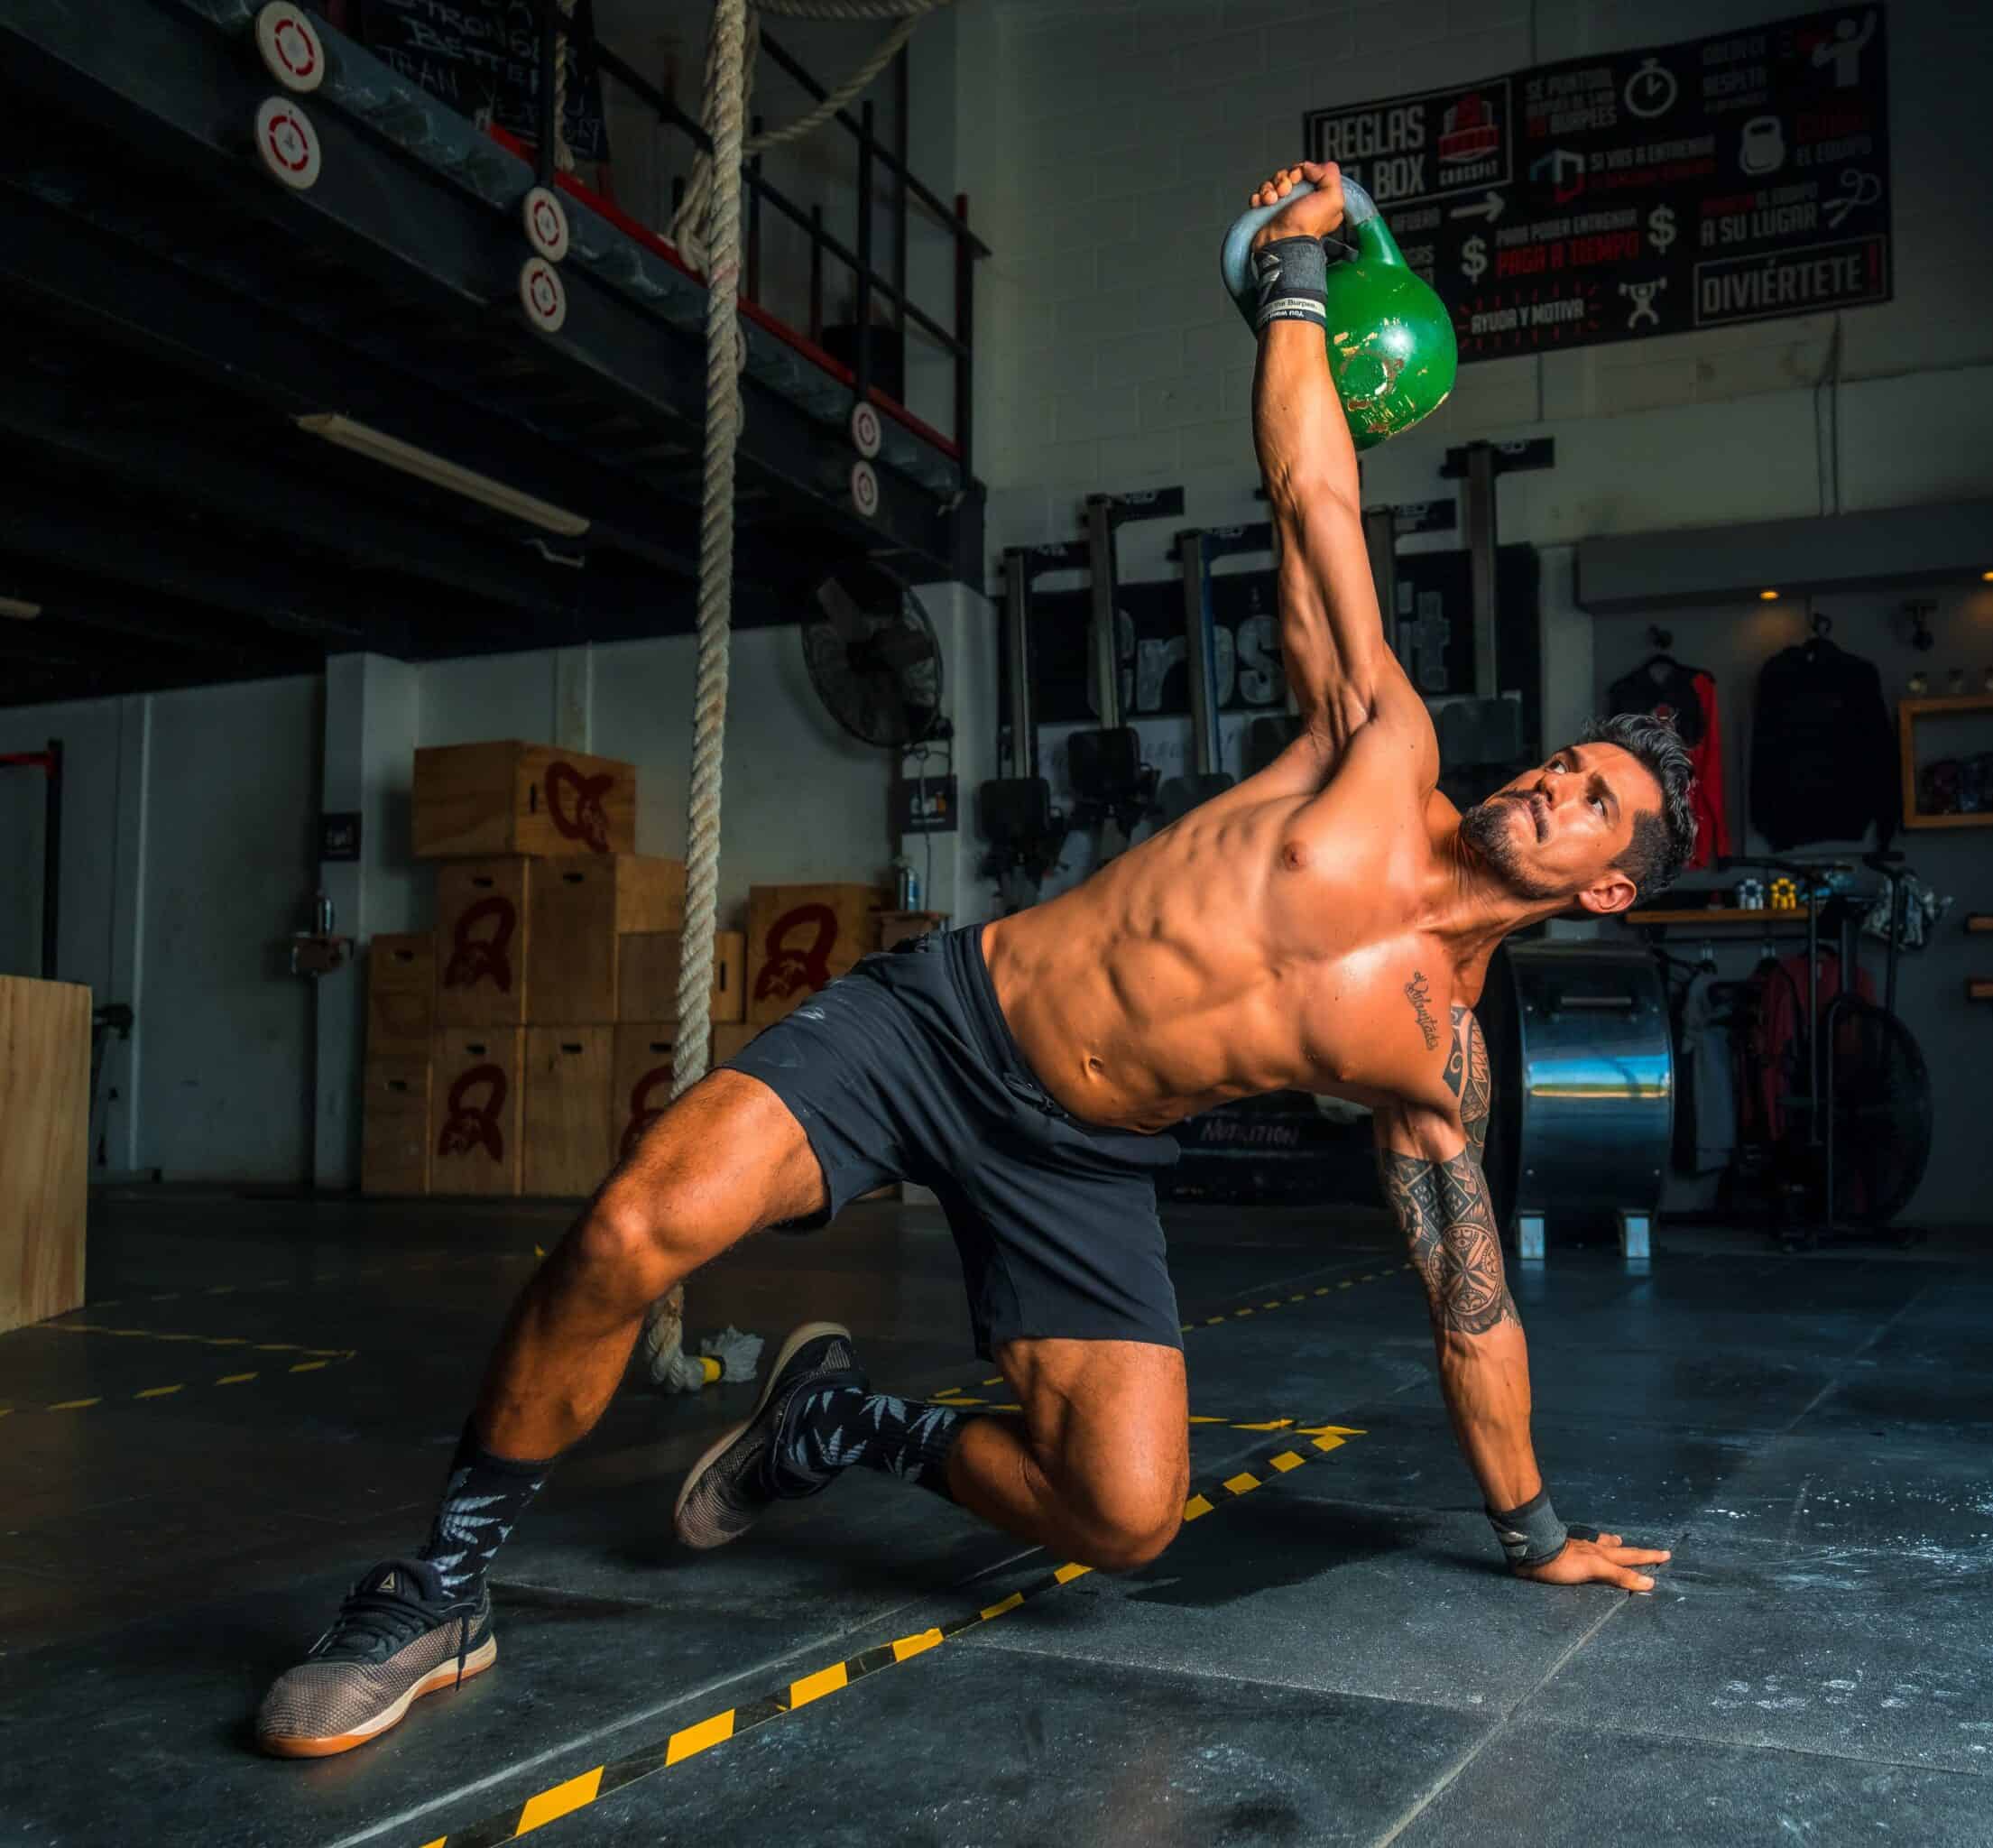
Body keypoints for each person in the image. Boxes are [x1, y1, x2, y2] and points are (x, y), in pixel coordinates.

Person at [254, 159, 1690, 1760]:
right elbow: (1314, 493)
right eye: (1566, 763)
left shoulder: (1443, 1057)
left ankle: (844, 1419)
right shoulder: (1379, 745)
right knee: (631, 1225)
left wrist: (1534, 1531)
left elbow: (1471, 1308)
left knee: (1129, 1514)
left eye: (1592, 806)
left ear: (1609, 890)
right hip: (941, 1025)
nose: (1554, 786)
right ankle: (445, 1584)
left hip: (1078, 1162)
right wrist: (1296, 274)